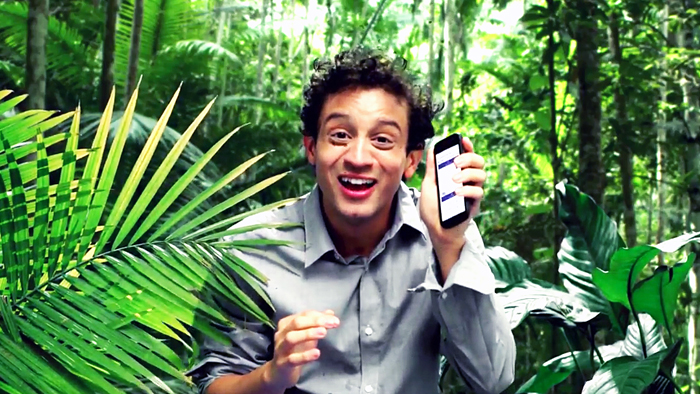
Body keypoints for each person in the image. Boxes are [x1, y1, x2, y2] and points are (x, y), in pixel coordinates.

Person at [187, 46, 516, 394]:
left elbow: (493, 379)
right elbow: (212, 382)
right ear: (312, 149)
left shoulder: (445, 233)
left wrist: (448, 245)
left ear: (411, 161)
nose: (358, 158)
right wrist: (271, 376)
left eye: (382, 140)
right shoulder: (253, 247)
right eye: (340, 135)